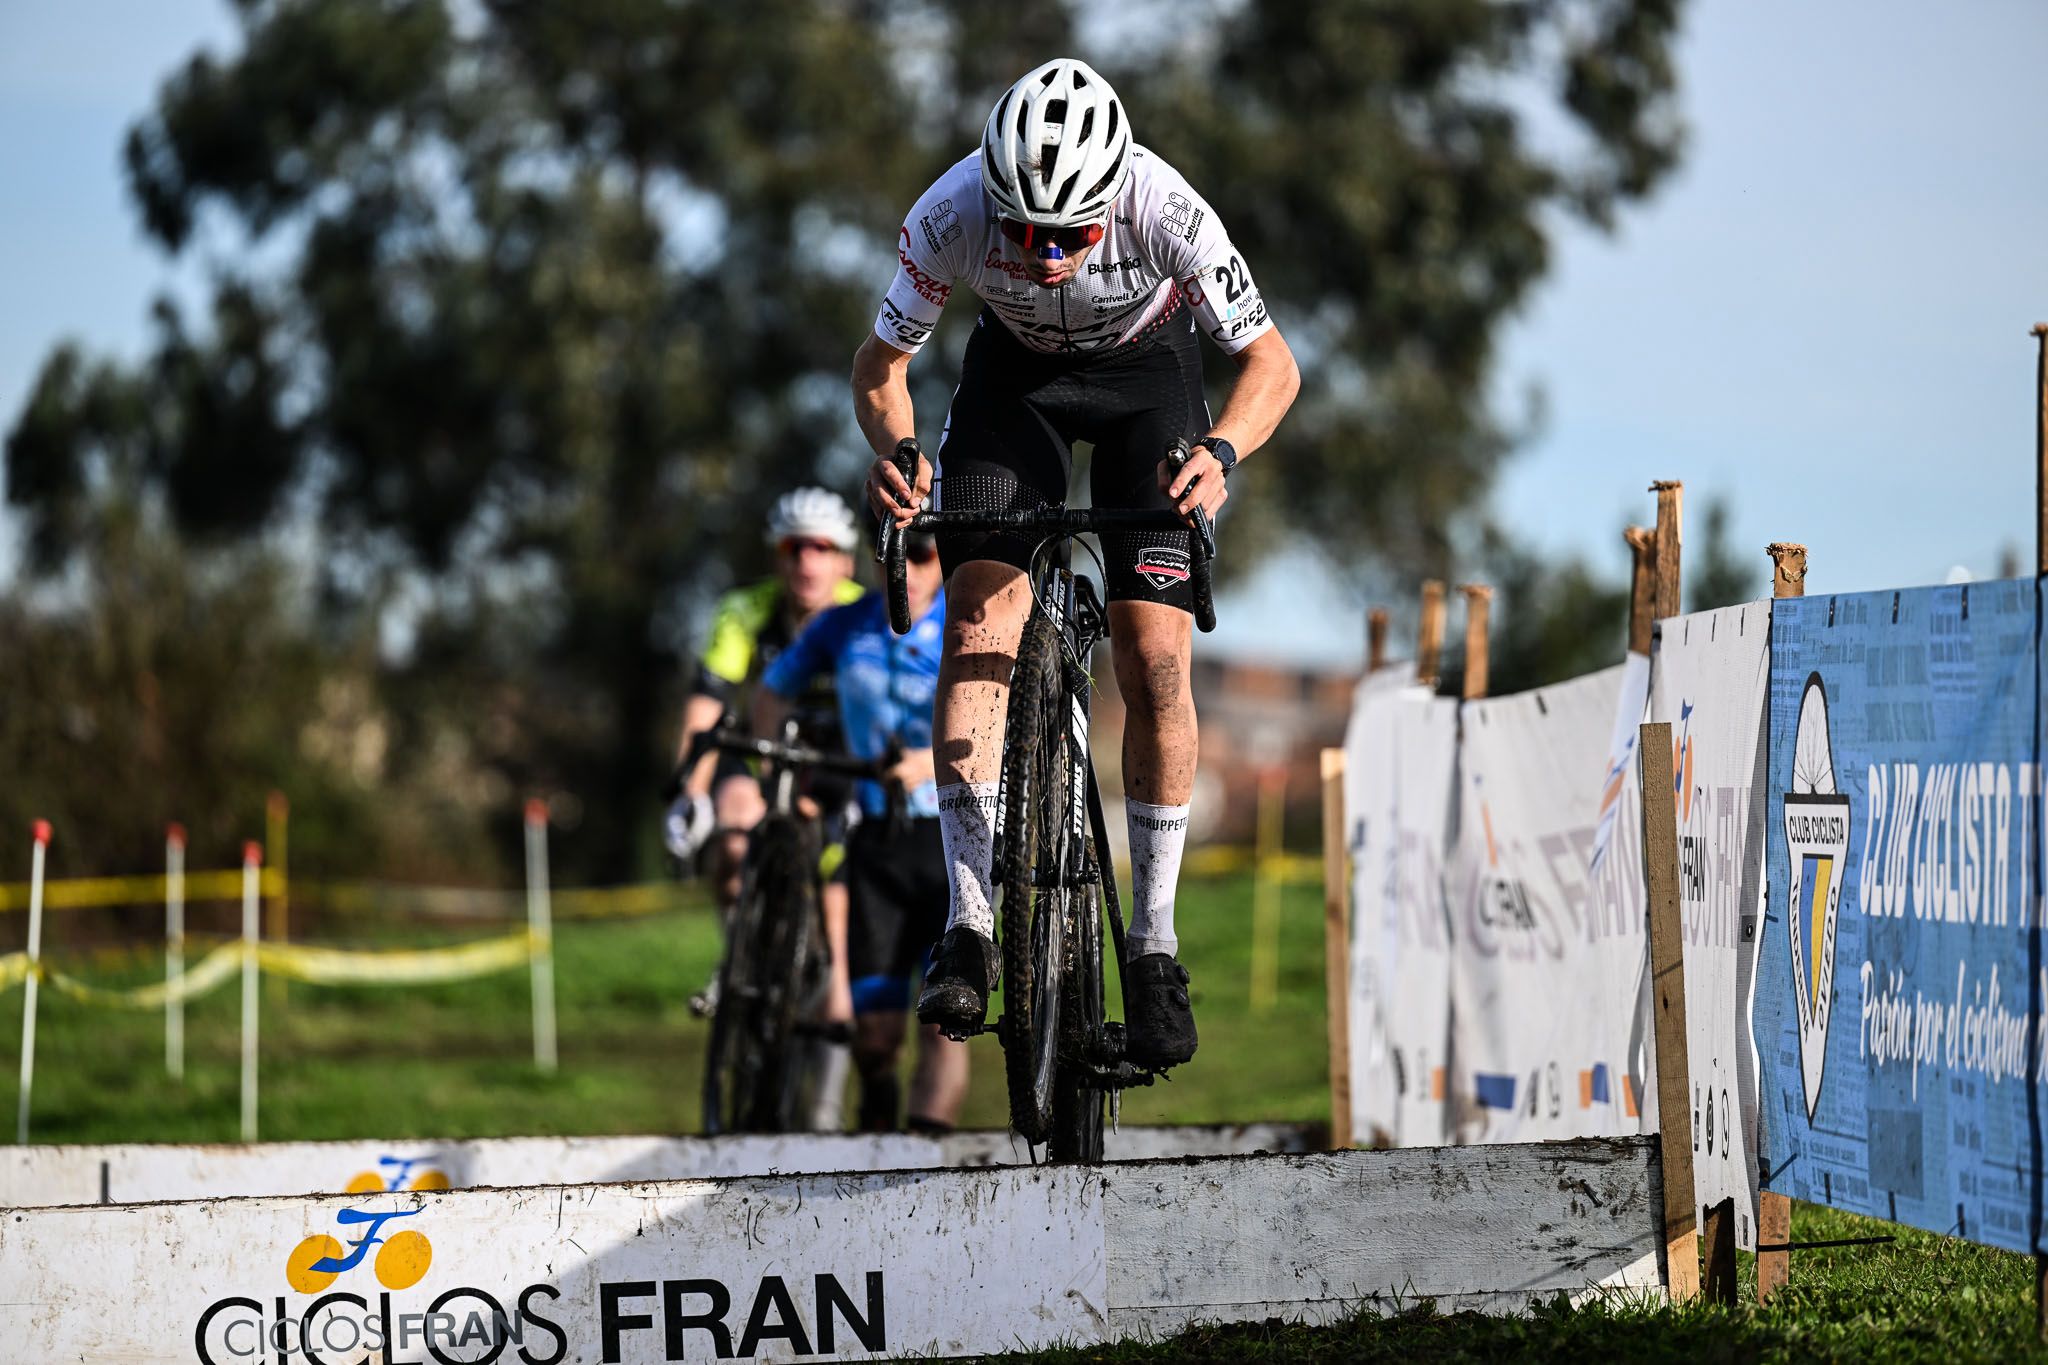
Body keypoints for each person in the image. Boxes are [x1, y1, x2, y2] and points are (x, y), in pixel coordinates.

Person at [855, 58, 1299, 1069]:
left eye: (1070, 237)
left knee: (1153, 660)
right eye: (1022, 234)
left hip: (1148, 375)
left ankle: (1151, 947)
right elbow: (880, 366)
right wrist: (896, 451)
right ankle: (967, 924)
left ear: (1111, 202)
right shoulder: (948, 212)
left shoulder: (1167, 210)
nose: (1045, 256)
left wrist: (1220, 454)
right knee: (974, 627)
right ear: (990, 201)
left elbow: (1272, 364)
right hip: (1016, 384)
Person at [755, 530, 968, 1132]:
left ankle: (930, 1168)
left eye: (927, 552)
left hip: (954, 841)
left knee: (943, 1022)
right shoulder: (842, 625)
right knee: (874, 1039)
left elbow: (1004, 724)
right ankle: (874, 1124)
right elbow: (771, 694)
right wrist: (776, 772)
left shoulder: (969, 623)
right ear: (877, 559)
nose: (911, 566)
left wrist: (929, 763)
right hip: (876, 839)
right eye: (898, 552)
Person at [664, 487, 864, 1127]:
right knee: (730, 828)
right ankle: (740, 954)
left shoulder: (868, 613)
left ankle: (826, 1106)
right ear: (778, 558)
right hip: (768, 762)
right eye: (793, 547)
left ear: (847, 562)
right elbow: (707, 704)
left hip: (843, 772)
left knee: (838, 916)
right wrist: (686, 792)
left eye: (822, 548)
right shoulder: (745, 611)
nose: (807, 560)